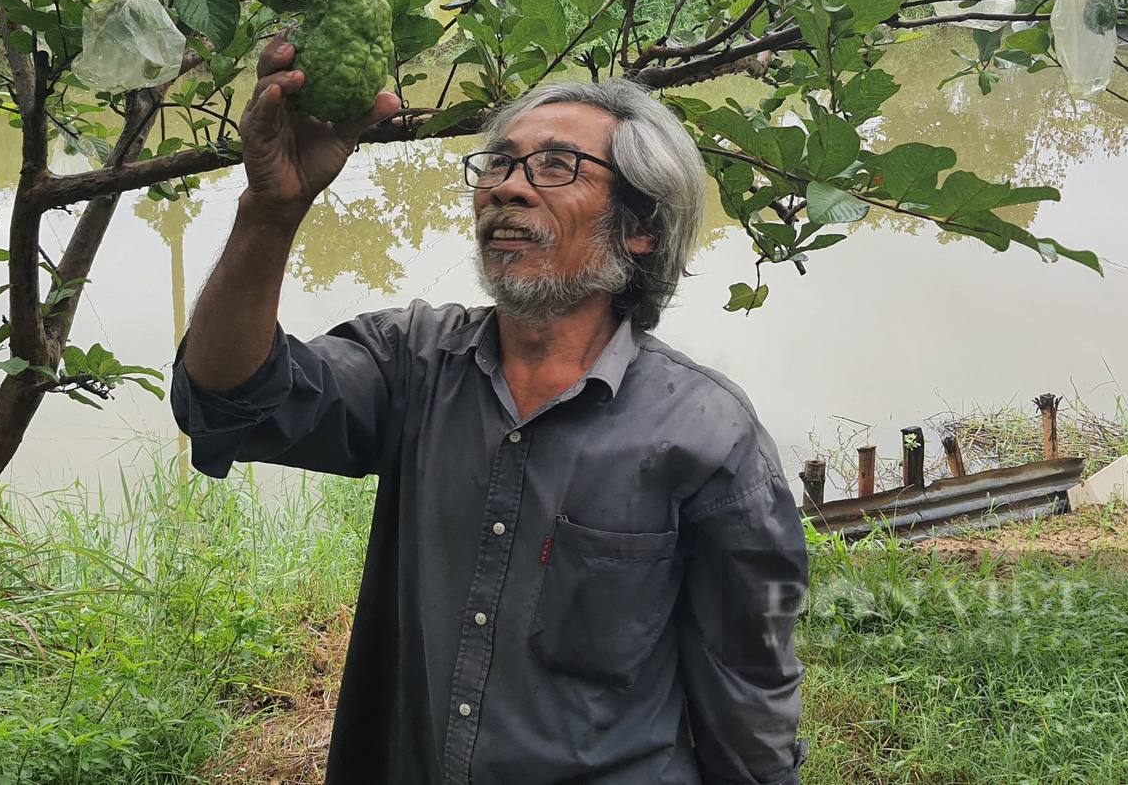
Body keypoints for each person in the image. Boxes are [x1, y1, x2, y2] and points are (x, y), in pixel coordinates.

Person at [171, 40, 808, 784]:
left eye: (555, 166)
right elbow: (232, 397)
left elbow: (749, 693)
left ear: (639, 227)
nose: (508, 187)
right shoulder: (412, 362)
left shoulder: (709, 436)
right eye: (499, 164)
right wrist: (272, 213)